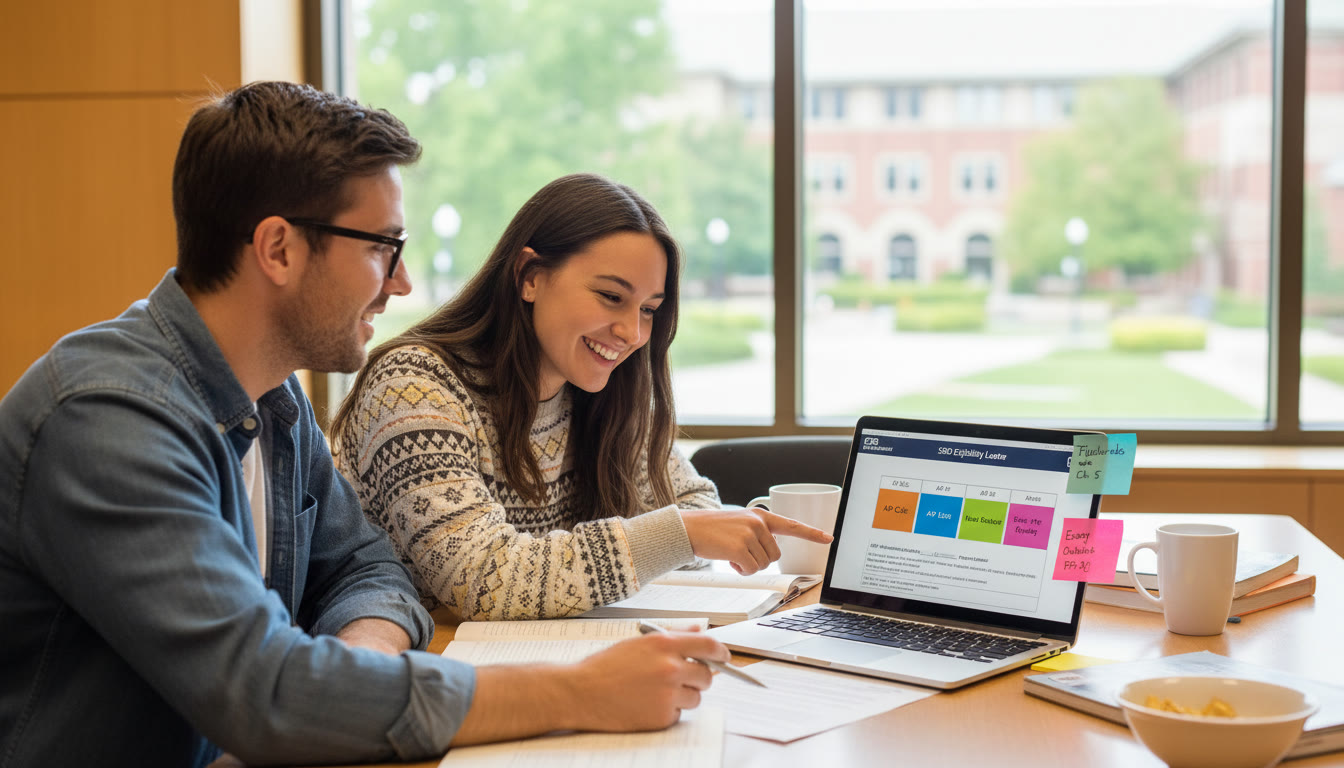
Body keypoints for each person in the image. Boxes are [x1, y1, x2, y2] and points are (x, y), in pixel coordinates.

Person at [0, 82, 730, 768]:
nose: (402, 282)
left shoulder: (273, 404)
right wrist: (578, 692)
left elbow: (366, 568)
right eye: (382, 247)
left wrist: (362, 663)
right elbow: (268, 694)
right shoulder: (107, 419)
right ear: (279, 249)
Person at [330, 173, 832, 621]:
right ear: (530, 277)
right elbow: (481, 581)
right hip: (429, 677)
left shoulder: (599, 392)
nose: (632, 332)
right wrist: (676, 534)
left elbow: (693, 503)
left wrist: (683, 532)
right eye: (611, 297)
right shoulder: (413, 385)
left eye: (649, 309)